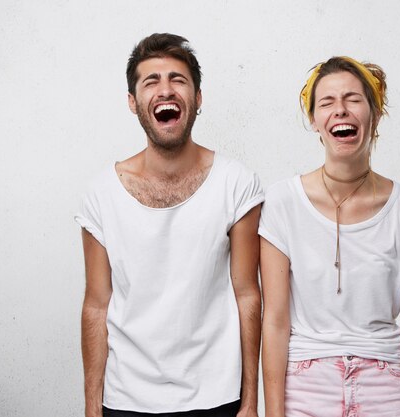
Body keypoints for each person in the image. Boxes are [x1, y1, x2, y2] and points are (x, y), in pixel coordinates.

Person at [75, 33, 263, 417]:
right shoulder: (100, 194)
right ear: (133, 102)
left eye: (178, 79)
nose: (166, 90)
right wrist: (93, 408)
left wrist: (249, 402)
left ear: (197, 98)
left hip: (217, 398)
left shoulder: (237, 184)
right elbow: (96, 304)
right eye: (151, 81)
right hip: (126, 400)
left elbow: (248, 293)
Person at [259, 56, 400, 417]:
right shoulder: (283, 203)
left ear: (374, 115)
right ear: (314, 120)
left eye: (353, 100)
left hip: (386, 385)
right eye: (326, 103)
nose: (340, 111)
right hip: (306, 385)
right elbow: (276, 322)